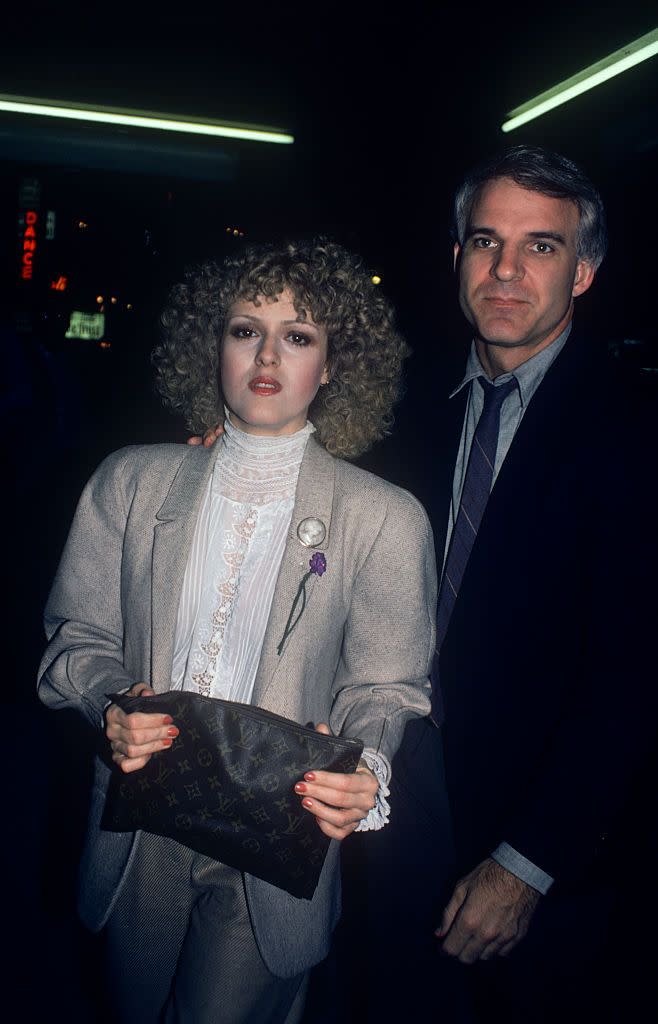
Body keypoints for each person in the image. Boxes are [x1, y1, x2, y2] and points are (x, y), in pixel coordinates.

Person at [37, 238, 437, 1024]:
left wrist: (369, 766)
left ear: (332, 365)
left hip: (278, 831)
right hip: (140, 820)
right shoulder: (130, 481)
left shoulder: (384, 517)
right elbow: (75, 639)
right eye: (245, 329)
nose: (267, 354)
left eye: (298, 336)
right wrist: (110, 703)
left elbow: (388, 685)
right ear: (209, 345)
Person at [380, 144, 657, 1023]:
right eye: (483, 241)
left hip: (544, 856)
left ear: (584, 272)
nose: (505, 270)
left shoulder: (634, 430)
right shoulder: (403, 408)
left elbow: (635, 676)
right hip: (393, 811)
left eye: (540, 246)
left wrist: (527, 861)